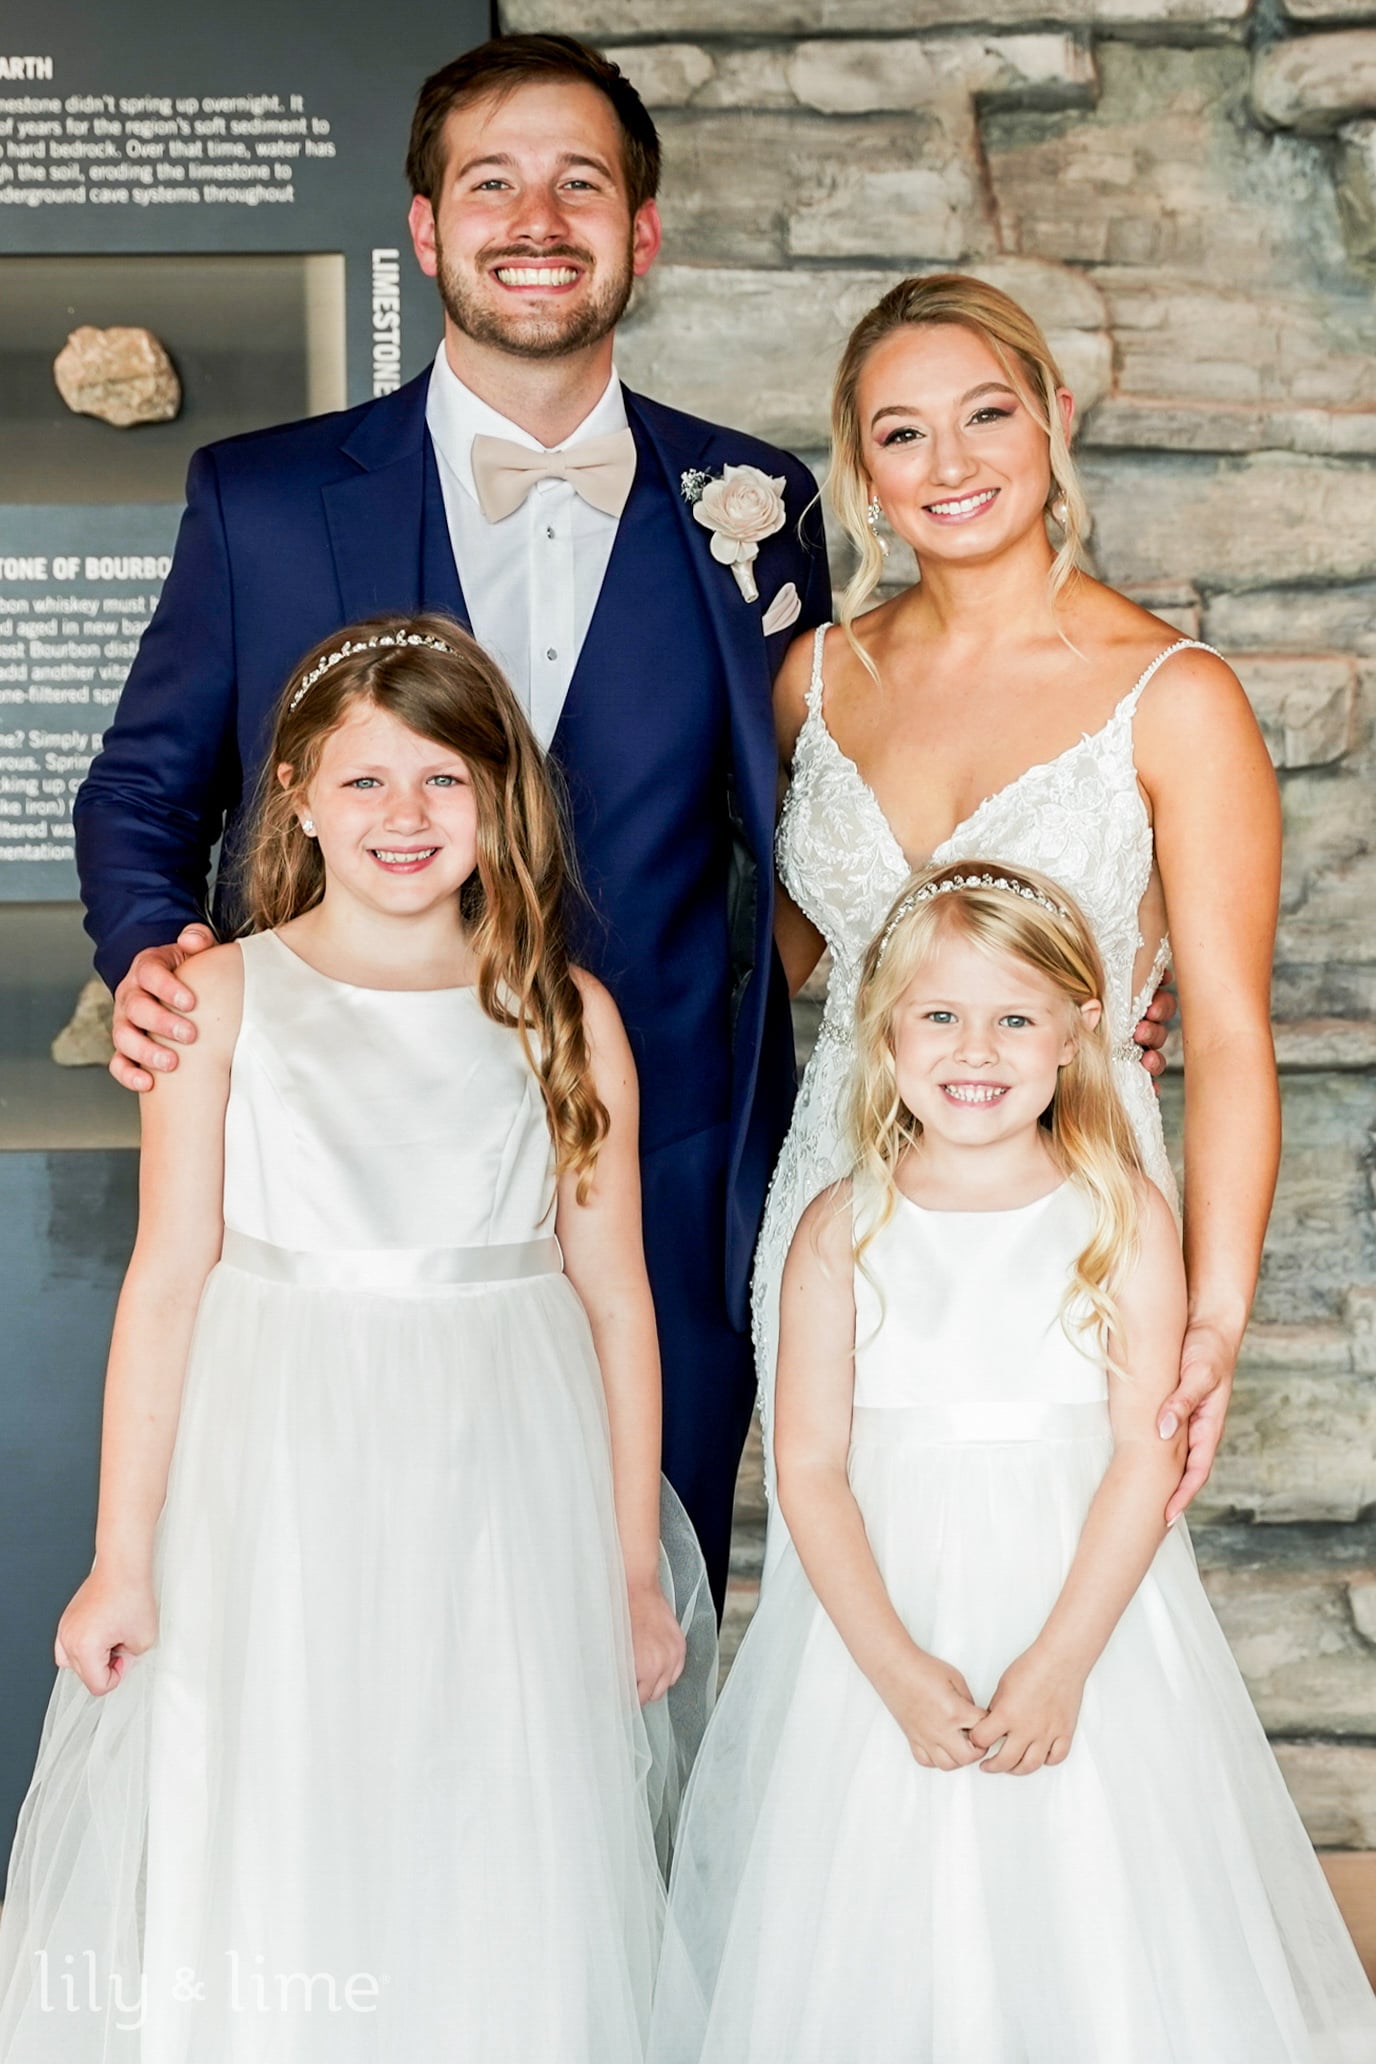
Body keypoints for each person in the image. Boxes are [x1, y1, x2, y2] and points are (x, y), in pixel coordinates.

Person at [73, 33, 833, 1613]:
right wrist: (152, 951)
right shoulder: (261, 499)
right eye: (493, 184)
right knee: (332, 1616)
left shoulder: (758, 507)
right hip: (333, 1187)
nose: (537, 220)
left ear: (643, 230)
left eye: (582, 185)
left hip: (660, 1163)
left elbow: (839, 812)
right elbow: (144, 784)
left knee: (629, 1627)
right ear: (425, 230)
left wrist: (1085, 964)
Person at [1, 618, 716, 2061]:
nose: (406, 814)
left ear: (500, 800)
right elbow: (168, 1280)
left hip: (503, 1481)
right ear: (297, 797)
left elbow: (614, 1296)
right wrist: (124, 1557)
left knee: (490, 1794)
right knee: (280, 1785)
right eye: (367, 780)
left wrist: (631, 1567)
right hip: (279, 1476)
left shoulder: (562, 1015)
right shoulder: (219, 999)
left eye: (445, 779)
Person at [649, 864, 1376, 2064]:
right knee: (883, 1874)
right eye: (938, 1014)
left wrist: (1057, 1663)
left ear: (1078, 1030)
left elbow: (1143, 1457)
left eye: (1013, 1018)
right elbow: (809, 1467)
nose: (973, 1050)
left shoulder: (1120, 1214)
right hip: (885, 1613)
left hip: (1081, 1604)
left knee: (1092, 1866)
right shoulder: (837, 1227)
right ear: (882, 1026)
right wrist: (891, 1668)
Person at [754, 272, 1277, 1573]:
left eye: (986, 414)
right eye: (902, 432)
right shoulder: (813, 679)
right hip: (839, 1202)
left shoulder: (1175, 696)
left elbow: (1227, 1034)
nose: (950, 464)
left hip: (1076, 1215)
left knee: (1064, 1586)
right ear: (861, 468)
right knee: (848, 1595)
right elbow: (778, 960)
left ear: (1054, 415)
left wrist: (1214, 1320)